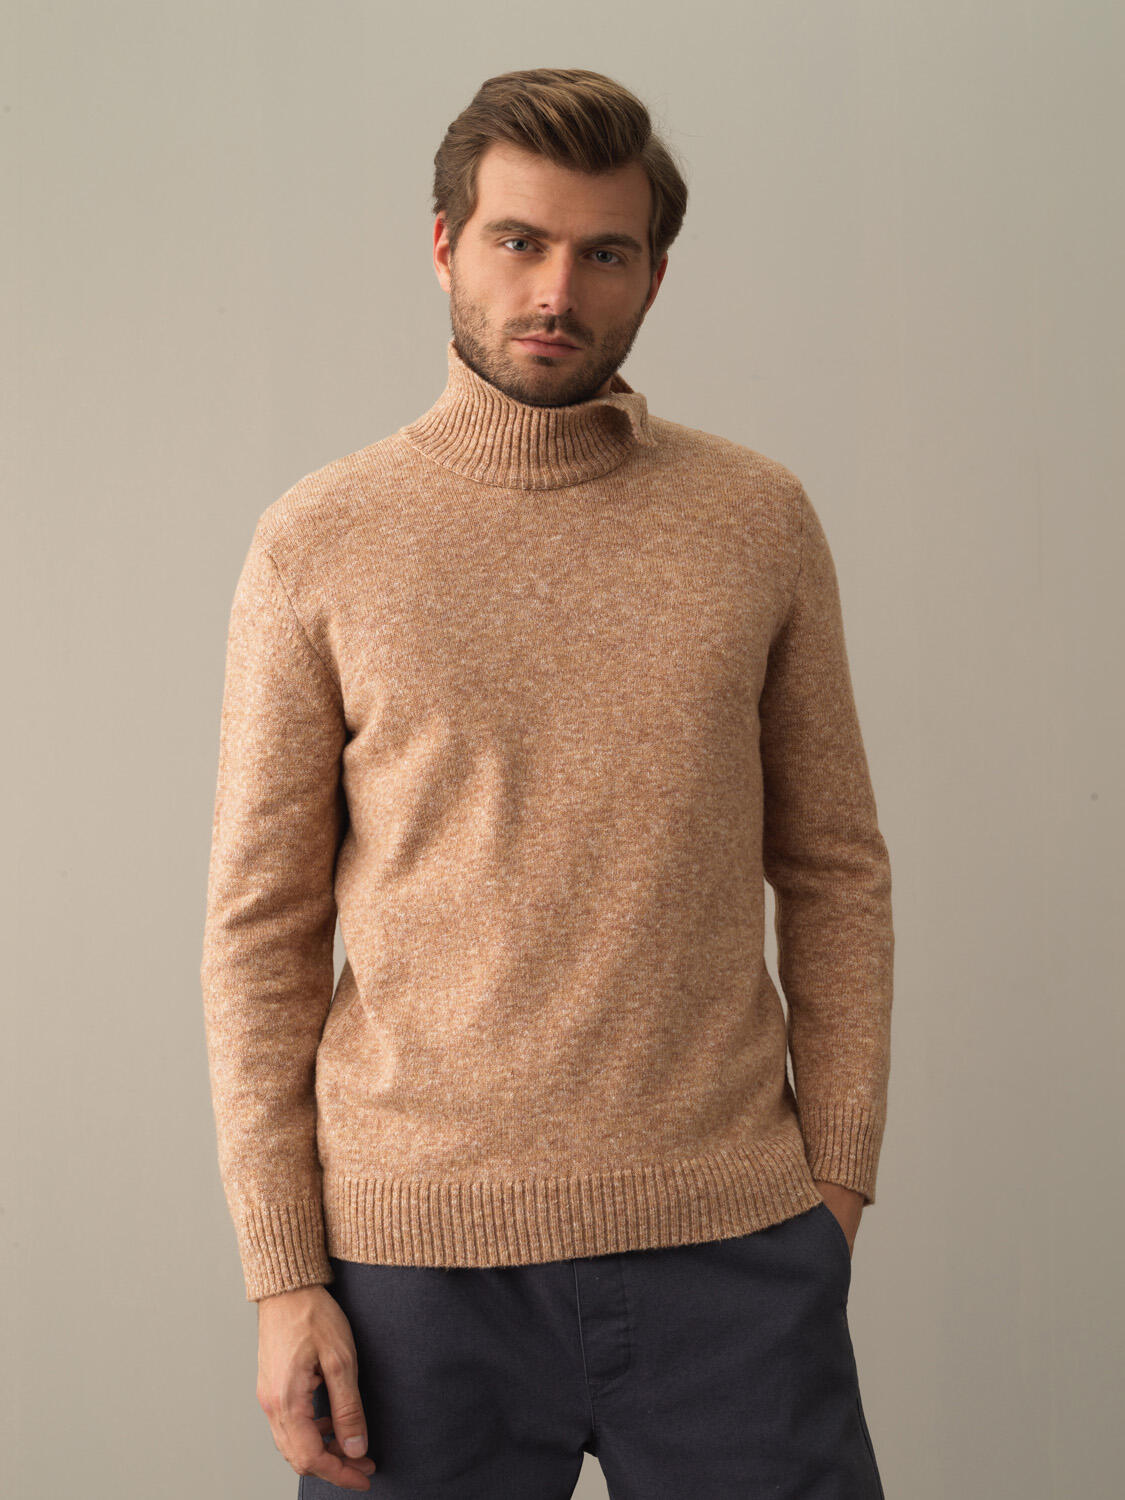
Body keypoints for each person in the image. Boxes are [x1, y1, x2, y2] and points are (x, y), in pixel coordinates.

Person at [200, 66, 893, 1499]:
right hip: (411, 1274)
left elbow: (835, 866)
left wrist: (834, 1183)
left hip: (733, 1252)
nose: (556, 290)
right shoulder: (319, 540)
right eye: (518, 240)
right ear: (444, 243)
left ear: (655, 275)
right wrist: (283, 1273)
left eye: (604, 252)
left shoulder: (756, 519)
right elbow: (260, 930)